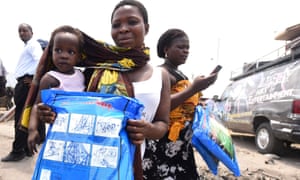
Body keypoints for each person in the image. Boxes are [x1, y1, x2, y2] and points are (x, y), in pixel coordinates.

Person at [30, 0, 170, 179]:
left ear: (147, 27)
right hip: (87, 164)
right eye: (116, 25)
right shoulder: (93, 71)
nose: (123, 29)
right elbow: (73, 109)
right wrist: (49, 113)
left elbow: (163, 124)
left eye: (132, 22)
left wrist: (147, 129)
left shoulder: (160, 75)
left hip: (131, 166)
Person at [142, 28, 218, 179]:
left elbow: (185, 102)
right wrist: (194, 88)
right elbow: (159, 105)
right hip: (164, 143)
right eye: (180, 47)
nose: (185, 51)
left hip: (181, 144)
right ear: (166, 49)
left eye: (187, 48)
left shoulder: (180, 74)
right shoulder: (161, 73)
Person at [27, 25, 86, 154]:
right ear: (51, 52)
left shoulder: (82, 76)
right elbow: (37, 106)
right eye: (58, 50)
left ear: (79, 57)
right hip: (59, 135)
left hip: (81, 132)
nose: (63, 56)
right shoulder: (50, 79)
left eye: (70, 52)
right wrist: (32, 130)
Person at [1, 23, 44, 162]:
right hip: (25, 83)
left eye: (25, 30)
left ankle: (18, 150)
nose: (22, 33)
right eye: (19, 31)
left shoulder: (33, 45)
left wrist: (35, 80)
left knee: (20, 117)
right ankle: (26, 149)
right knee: (26, 116)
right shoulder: (28, 47)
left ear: (32, 31)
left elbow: (40, 61)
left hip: (26, 85)